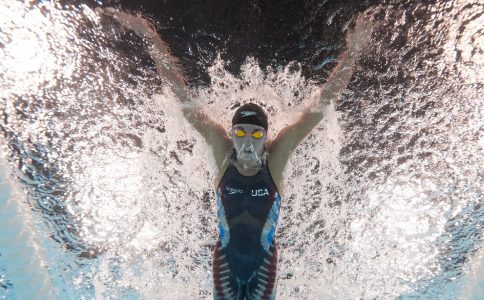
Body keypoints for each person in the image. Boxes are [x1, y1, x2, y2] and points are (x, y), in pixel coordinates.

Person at [104, 8, 372, 299]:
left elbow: (320, 107)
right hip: (225, 266)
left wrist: (354, 51)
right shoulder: (222, 151)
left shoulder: (277, 157)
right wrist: (149, 35)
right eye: (240, 132)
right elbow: (182, 99)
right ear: (231, 134)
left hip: (263, 267)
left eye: (256, 134)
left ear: (266, 137)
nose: (247, 140)